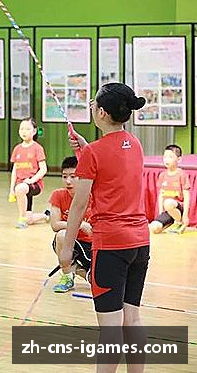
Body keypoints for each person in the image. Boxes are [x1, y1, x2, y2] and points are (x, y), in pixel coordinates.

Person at [60, 83, 148, 373]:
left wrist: (67, 248)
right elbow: (112, 166)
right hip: (140, 243)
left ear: (101, 112)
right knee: (132, 320)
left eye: (94, 104)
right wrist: (86, 148)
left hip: (111, 246)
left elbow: (78, 204)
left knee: (110, 329)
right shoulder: (135, 144)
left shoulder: (94, 153)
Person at [50, 156, 93, 293]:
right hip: (70, 242)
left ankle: (76, 269)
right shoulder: (58, 195)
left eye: (73, 177)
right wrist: (80, 225)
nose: (68, 181)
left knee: (97, 282)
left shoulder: (93, 195)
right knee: (61, 235)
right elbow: (55, 225)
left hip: (91, 246)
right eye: (64, 176)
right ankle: (67, 276)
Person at [9, 117, 49, 228]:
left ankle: (21, 219)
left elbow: (43, 169)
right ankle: (46, 215)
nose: (24, 132)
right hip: (21, 186)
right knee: (29, 220)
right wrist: (11, 189)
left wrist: (31, 180)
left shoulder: (37, 148)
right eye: (21, 129)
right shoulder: (17, 149)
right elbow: (14, 170)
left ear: (34, 131)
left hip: (34, 185)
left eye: (27, 129)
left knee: (20, 188)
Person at [148, 144, 191, 234]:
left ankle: (178, 222)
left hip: (178, 208)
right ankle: (171, 225)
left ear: (179, 159)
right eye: (165, 157)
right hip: (167, 210)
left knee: (168, 202)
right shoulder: (162, 175)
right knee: (154, 228)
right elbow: (161, 195)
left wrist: (185, 215)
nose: (166, 160)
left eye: (170, 157)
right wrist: (161, 212)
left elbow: (187, 196)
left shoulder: (182, 174)